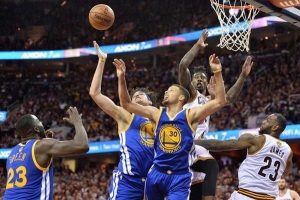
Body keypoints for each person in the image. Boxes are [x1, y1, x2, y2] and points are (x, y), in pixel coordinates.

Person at [114, 53, 226, 200]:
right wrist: (121, 78)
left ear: (181, 98)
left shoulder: (191, 115)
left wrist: (217, 72)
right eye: (167, 90)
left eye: (171, 90)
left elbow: (220, 101)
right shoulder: (156, 113)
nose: (166, 92)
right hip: (156, 174)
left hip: (179, 177)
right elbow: (126, 104)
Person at [178, 29, 254, 200]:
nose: (199, 79)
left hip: (199, 148)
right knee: (210, 166)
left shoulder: (209, 100)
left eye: (202, 78)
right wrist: (198, 46)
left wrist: (242, 75)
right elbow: (183, 65)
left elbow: (229, 98)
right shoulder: (190, 95)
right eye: (196, 77)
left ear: (207, 81)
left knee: (206, 175)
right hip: (183, 146)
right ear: (191, 82)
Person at [89, 41, 155, 200]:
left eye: (142, 94)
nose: (137, 95)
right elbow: (95, 93)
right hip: (128, 181)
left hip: (154, 182)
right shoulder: (126, 116)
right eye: (134, 96)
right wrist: (101, 61)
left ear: (151, 102)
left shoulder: (159, 118)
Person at [196, 113, 293, 200]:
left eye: (267, 120)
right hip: (270, 197)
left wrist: (194, 142)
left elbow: (221, 145)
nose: (263, 121)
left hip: (246, 194)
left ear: (275, 127)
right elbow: (286, 172)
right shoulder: (288, 150)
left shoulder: (257, 140)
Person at [3, 107, 89, 200]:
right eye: (39, 122)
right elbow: (82, 145)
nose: (42, 124)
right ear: (36, 128)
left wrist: (46, 144)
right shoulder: (42, 146)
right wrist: (78, 122)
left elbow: (33, 172)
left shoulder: (12, 152)